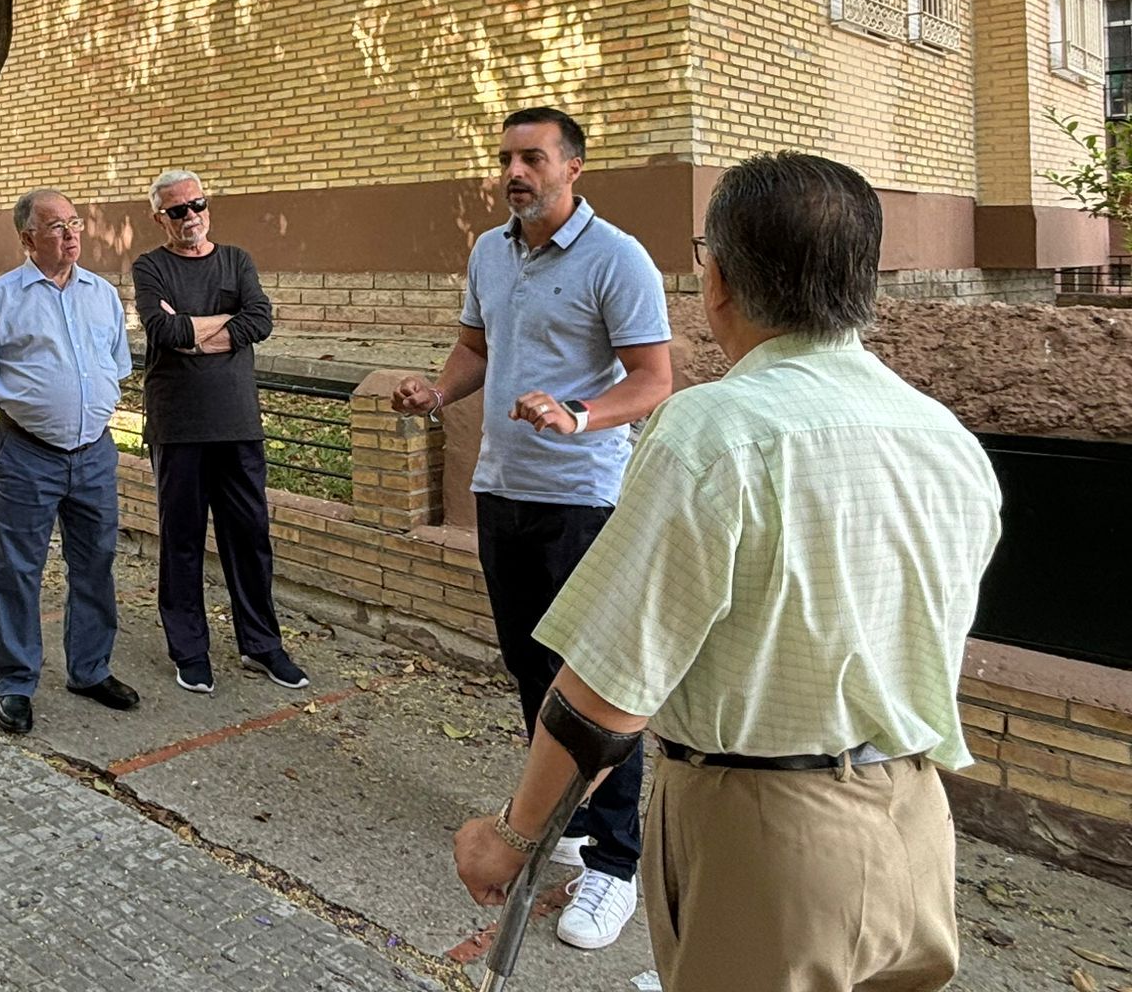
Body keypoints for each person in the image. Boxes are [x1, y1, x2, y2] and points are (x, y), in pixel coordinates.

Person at [451, 152, 1003, 992]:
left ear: (719, 281)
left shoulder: (712, 434)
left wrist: (513, 836)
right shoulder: (944, 438)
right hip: (915, 827)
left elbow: (604, 693)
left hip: (767, 837)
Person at [391, 106, 672, 952]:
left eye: (533, 158)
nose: (515, 172)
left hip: (581, 497)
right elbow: (475, 348)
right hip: (502, 489)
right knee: (529, 666)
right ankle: (558, 821)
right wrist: (439, 394)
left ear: (573, 168)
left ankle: (616, 866)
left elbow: (655, 378)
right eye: (507, 158)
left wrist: (578, 413)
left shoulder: (618, 258)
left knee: (592, 687)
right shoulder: (490, 250)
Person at [0, 188, 139, 735]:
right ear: (28, 239)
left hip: (95, 453)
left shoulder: (101, 295)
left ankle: (90, 669)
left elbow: (115, 366)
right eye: (56, 227)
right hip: (28, 454)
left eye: (74, 223)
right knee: (17, 571)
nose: (70, 234)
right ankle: (14, 683)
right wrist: (28, 407)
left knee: (96, 564)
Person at [131, 169, 304, 694]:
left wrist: (195, 330)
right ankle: (190, 650)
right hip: (179, 426)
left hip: (237, 424)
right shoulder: (149, 267)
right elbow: (162, 330)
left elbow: (260, 319)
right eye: (178, 210)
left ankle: (262, 645)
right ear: (160, 217)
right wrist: (216, 323)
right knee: (181, 541)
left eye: (197, 205)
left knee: (249, 538)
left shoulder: (236, 260)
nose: (191, 217)